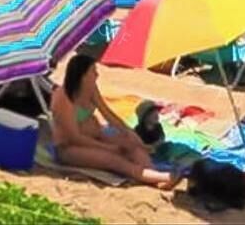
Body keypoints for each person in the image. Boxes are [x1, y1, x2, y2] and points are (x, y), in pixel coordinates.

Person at [52, 54, 177, 187]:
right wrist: (109, 148)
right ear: (82, 75)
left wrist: (133, 137)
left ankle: (154, 177)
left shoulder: (91, 89)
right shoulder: (63, 97)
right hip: (69, 148)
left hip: (97, 138)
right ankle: (162, 177)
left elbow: (109, 116)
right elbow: (74, 137)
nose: (97, 75)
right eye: (93, 72)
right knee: (113, 159)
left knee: (131, 145)